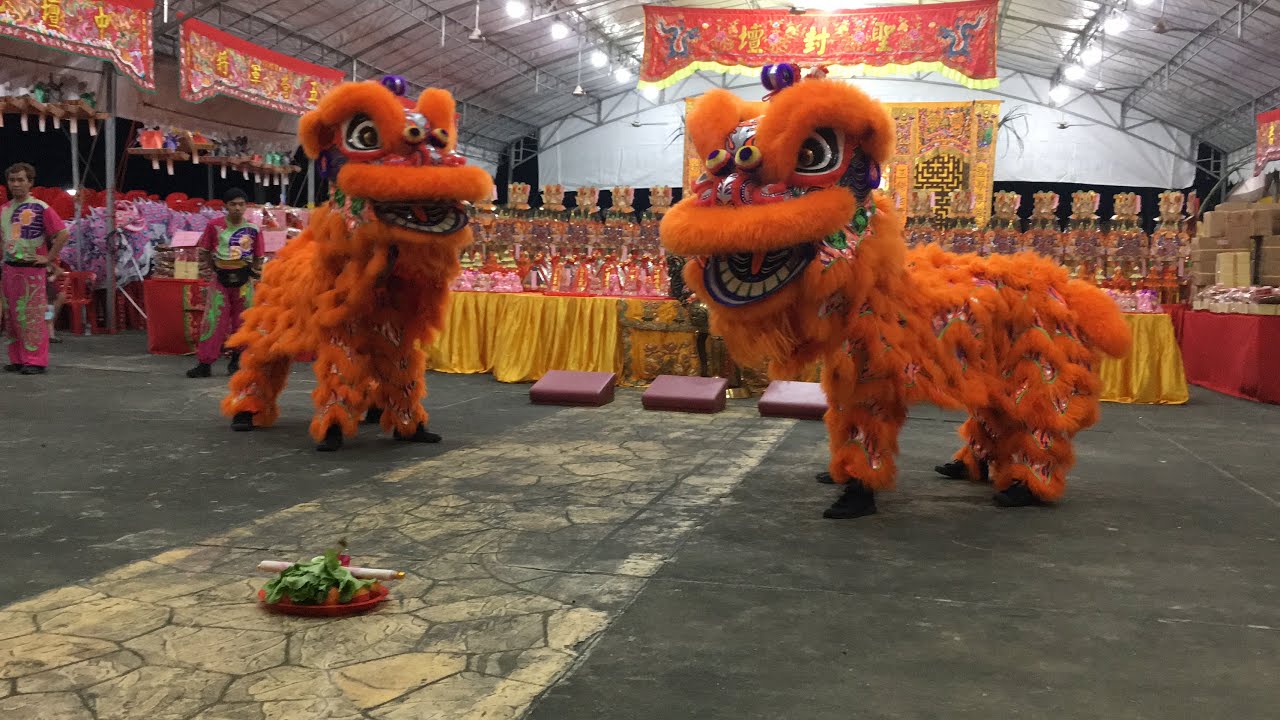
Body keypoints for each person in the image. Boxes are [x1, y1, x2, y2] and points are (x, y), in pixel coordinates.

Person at [187, 188, 263, 378]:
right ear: (225, 206)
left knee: (243, 322)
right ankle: (205, 363)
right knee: (213, 321)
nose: (237, 208)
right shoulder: (214, 225)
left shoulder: (254, 229)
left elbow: (259, 256)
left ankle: (237, 360)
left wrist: (253, 273)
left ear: (246, 206)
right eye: (233, 204)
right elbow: (205, 250)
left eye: (241, 204)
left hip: (244, 282)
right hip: (220, 280)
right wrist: (214, 269)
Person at [2, 162, 69, 375]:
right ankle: (18, 358)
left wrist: (48, 258)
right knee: (12, 317)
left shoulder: (41, 208)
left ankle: (35, 360)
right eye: (12, 180)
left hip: (31, 269)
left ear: (30, 182)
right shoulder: (4, 209)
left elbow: (62, 233)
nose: (16, 184)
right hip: (9, 269)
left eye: (20, 180)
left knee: (32, 315)